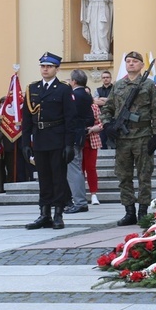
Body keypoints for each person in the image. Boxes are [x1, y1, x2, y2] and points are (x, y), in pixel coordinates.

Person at [101, 51, 156, 226]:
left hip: (143, 136)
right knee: (123, 175)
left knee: (144, 175)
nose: (131, 64)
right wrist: (107, 125)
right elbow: (108, 108)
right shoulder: (119, 85)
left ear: (141, 65)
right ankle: (129, 211)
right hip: (123, 138)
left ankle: (143, 210)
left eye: (135, 61)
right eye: (128, 61)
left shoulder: (149, 86)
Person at [22, 52, 77, 230]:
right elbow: (27, 119)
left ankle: (58, 214)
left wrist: (69, 144)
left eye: (49, 66)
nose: (45, 69)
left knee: (58, 178)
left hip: (57, 138)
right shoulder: (33, 88)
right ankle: (44, 213)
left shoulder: (63, 88)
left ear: (56, 69)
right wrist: (25, 144)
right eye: (43, 66)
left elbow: (70, 118)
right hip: (39, 139)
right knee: (44, 178)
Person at [64, 70, 95, 214]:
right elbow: (90, 118)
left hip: (73, 135)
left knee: (74, 169)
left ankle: (80, 202)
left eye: (70, 80)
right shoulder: (86, 95)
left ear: (74, 81)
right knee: (75, 168)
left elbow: (69, 116)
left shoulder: (75, 95)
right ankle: (78, 200)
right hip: (80, 133)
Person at [82, 85, 103, 204]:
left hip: (92, 141)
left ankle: (94, 194)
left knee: (91, 168)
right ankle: (79, 194)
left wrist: (94, 128)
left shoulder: (94, 107)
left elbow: (102, 123)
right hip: (78, 141)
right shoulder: (75, 106)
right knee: (79, 170)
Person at [93, 70, 113, 148]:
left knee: (113, 139)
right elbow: (95, 102)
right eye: (104, 77)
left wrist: (103, 99)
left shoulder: (115, 89)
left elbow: (116, 102)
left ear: (110, 78)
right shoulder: (97, 90)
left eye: (107, 77)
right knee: (102, 139)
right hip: (101, 117)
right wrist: (109, 100)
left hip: (113, 116)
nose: (105, 79)